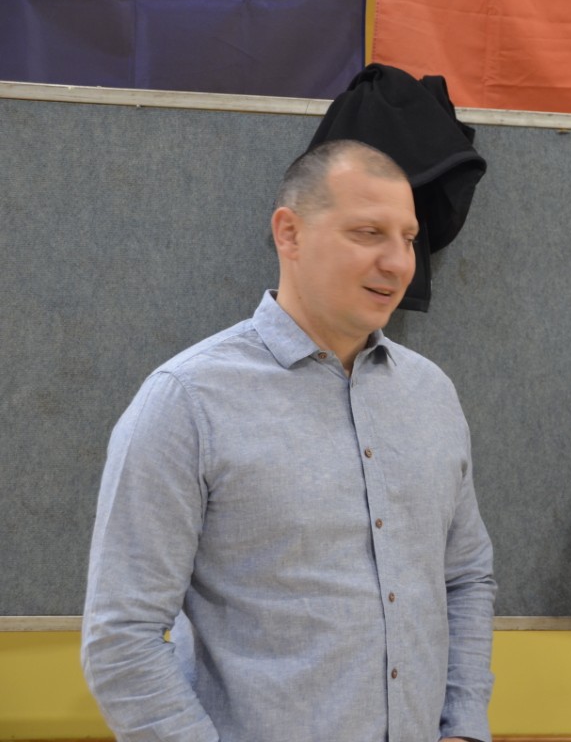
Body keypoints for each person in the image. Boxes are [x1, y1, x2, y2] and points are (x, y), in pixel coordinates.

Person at [81, 140, 496, 742]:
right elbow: (122, 636)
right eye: (368, 233)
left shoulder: (431, 394)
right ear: (290, 233)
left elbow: (465, 579)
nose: (398, 262)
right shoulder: (188, 401)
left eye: (407, 238)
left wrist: (463, 726)